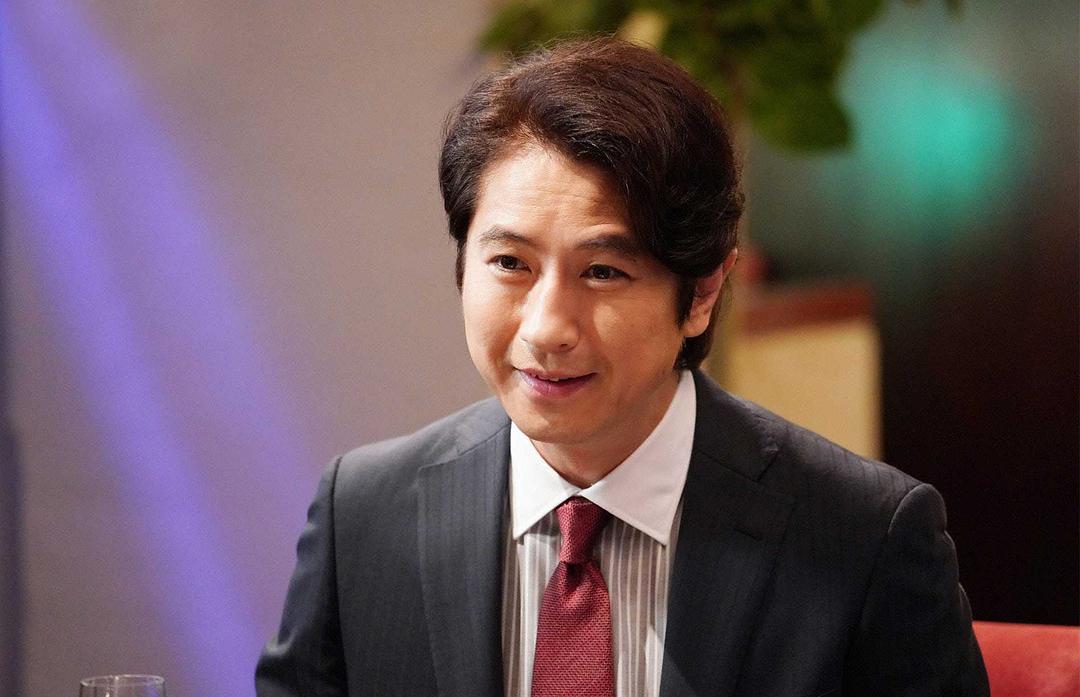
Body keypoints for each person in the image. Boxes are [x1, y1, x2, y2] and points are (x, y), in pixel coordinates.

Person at [256, 37, 988, 697]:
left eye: (603, 272)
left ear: (703, 293)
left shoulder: (864, 537)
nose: (547, 328)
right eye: (510, 262)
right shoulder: (364, 515)